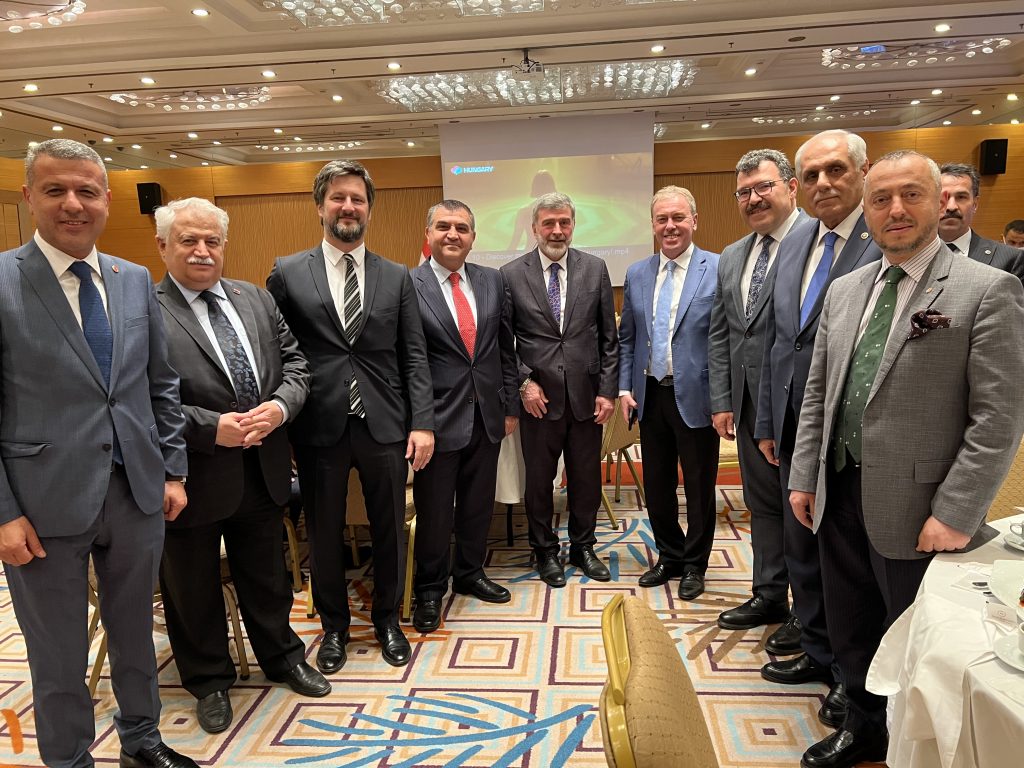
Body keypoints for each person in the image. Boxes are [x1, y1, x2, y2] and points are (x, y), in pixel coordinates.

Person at [788, 149, 1024, 768]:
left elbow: (998, 418)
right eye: (881, 199)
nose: (895, 210)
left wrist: (956, 512)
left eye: (910, 195)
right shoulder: (846, 291)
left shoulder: (987, 289)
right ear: (866, 209)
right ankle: (864, 728)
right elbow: (819, 394)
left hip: (922, 508)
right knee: (852, 623)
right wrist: (804, 475)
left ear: (939, 201)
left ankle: (915, 748)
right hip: (838, 490)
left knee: (915, 640)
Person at [0, 139, 196, 768]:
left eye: (86, 191)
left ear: (106, 199)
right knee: (57, 650)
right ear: (28, 197)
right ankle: (69, 759)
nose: (73, 204)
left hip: (135, 492)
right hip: (41, 502)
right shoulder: (3, 280)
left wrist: (172, 470)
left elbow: (160, 385)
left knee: (135, 630)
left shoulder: (132, 278)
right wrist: (3, 514)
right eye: (55, 190)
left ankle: (142, 739)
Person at [154, 197, 329, 735]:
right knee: (192, 586)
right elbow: (139, 396)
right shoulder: (144, 310)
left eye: (212, 241)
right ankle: (208, 679)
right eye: (188, 240)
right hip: (190, 474)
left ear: (224, 245)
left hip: (263, 465)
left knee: (267, 573)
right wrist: (209, 427)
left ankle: (282, 656)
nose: (202, 251)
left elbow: (296, 364)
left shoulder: (254, 297)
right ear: (162, 246)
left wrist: (280, 408)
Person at [267, 159, 434, 670]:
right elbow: (277, 354)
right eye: (338, 198)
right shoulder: (287, 272)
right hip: (318, 425)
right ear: (320, 207)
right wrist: (282, 423)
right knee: (323, 532)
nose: (348, 207)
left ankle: (387, 620)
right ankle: (333, 627)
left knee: (389, 528)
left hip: (385, 423)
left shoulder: (397, 275)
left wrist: (422, 422)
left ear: (369, 209)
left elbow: (413, 355)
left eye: (357, 199)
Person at [755, 129, 881, 727]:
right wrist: (766, 420)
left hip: (851, 430)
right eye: (812, 175)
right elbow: (779, 341)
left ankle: (853, 677)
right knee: (801, 545)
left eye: (836, 170)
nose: (824, 183)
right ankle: (817, 647)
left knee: (848, 560)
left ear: (862, 171)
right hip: (791, 422)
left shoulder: (884, 237)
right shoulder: (797, 238)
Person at [410, 200, 519, 633]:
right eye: (443, 226)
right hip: (436, 421)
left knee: (477, 504)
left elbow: (505, 348)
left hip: (487, 415)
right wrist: (419, 421)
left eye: (461, 228)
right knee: (435, 512)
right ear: (429, 234)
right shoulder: (409, 284)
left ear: (473, 237)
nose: (452, 234)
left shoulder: (492, 280)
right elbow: (409, 361)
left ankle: (471, 572)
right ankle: (429, 589)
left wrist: (510, 406)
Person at [709, 150, 806, 636]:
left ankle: (809, 611)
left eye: (763, 187)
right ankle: (769, 594)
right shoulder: (733, 254)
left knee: (803, 508)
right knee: (763, 504)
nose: (753, 199)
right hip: (748, 405)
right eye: (744, 192)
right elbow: (723, 332)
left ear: (791, 186)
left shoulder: (818, 243)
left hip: (800, 405)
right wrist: (722, 400)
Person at [500, 192, 618, 587]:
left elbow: (608, 338)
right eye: (548, 223)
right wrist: (524, 383)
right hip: (538, 400)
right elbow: (503, 342)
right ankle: (544, 550)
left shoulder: (595, 268)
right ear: (534, 228)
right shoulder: (510, 274)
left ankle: (583, 546)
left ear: (573, 225)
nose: (557, 230)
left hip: (587, 397)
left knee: (586, 478)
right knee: (539, 482)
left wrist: (607, 390)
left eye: (564, 222)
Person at [619, 186, 720, 600]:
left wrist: (724, 399)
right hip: (650, 395)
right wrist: (624, 387)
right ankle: (670, 555)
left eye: (678, 217)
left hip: (697, 396)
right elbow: (628, 338)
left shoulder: (717, 268)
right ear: (653, 225)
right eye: (662, 219)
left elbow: (724, 339)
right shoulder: (637, 273)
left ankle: (695, 564)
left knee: (698, 486)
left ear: (694, 220)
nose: (670, 226)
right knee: (657, 485)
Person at [938, 163, 1024, 281]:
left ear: (975, 204)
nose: (951, 207)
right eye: (942, 198)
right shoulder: (914, 253)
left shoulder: (1011, 259)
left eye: (961, 197)